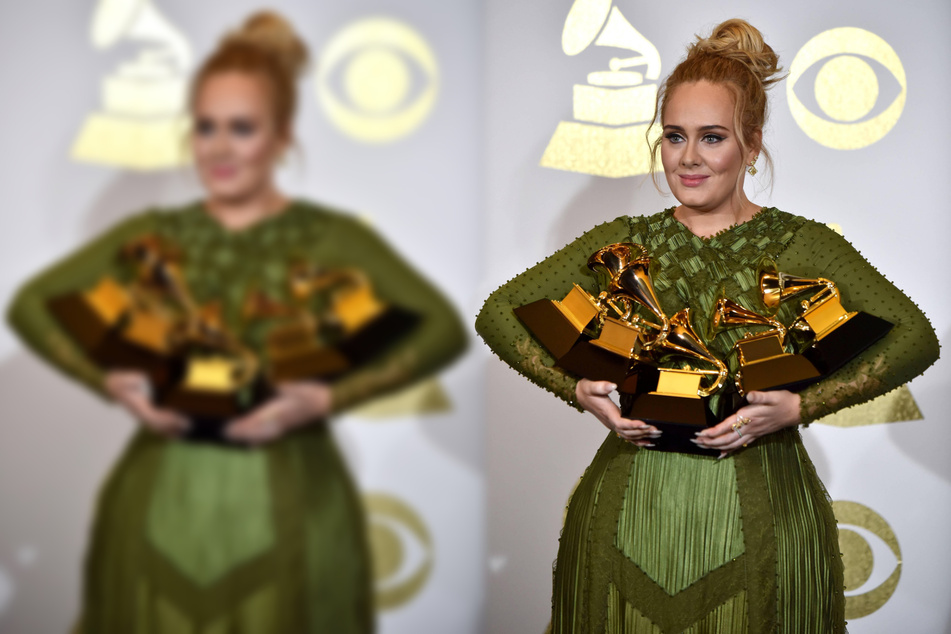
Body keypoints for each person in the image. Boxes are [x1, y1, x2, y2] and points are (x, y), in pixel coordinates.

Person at [7, 11, 466, 634]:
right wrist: (109, 381)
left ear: (281, 137)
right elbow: (32, 303)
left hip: (294, 501)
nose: (219, 148)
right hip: (159, 501)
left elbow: (440, 327)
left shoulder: (329, 238)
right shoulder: (156, 235)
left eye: (242, 128)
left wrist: (327, 398)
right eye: (205, 127)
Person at [476, 18, 938, 633]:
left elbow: (916, 336)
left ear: (751, 143)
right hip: (626, 516)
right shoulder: (625, 242)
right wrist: (577, 387)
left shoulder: (803, 245)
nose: (688, 158)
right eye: (674, 136)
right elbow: (499, 312)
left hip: (764, 518)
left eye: (712, 137)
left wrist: (800, 407)